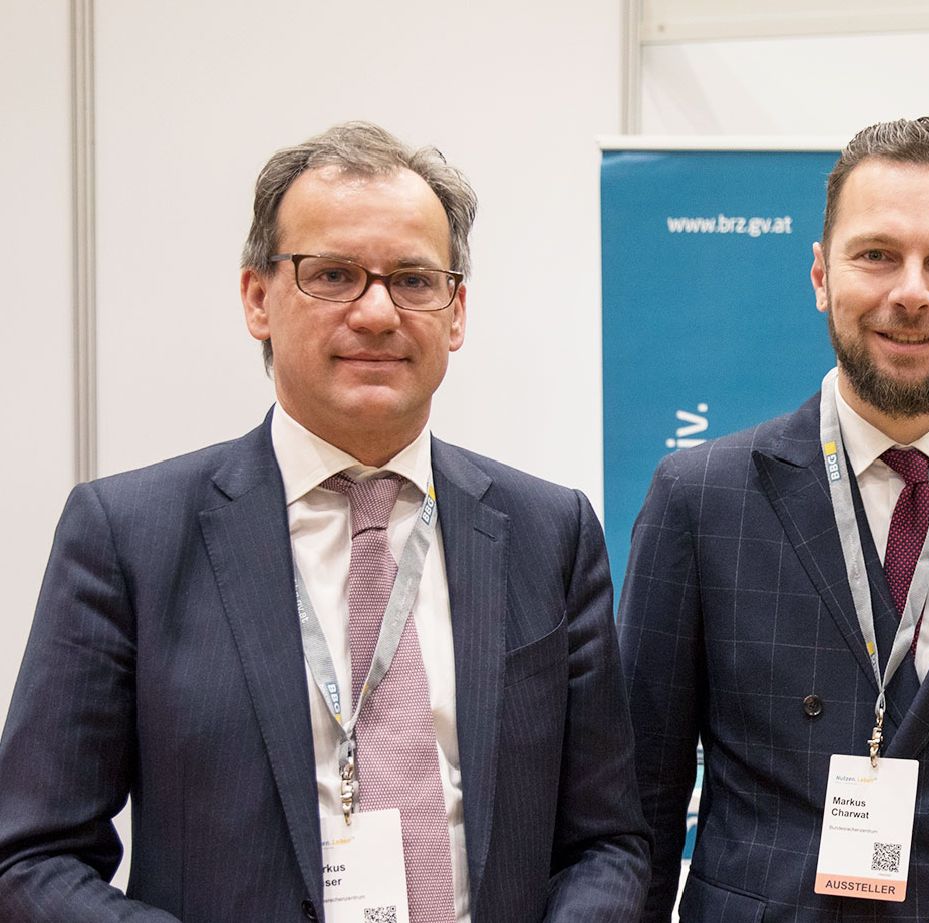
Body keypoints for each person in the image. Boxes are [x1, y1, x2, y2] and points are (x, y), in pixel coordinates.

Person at [0, 122, 649, 921]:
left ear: (455, 313)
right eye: (333, 274)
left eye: (413, 279)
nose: (377, 312)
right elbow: (33, 856)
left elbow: (608, 844)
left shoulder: (550, 535)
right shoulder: (129, 536)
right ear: (256, 298)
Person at [620, 115, 929, 923]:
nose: (912, 291)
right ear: (822, 275)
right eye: (878, 254)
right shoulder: (700, 497)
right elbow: (641, 812)